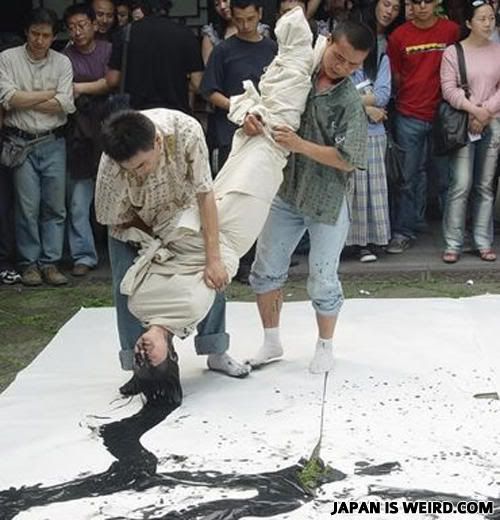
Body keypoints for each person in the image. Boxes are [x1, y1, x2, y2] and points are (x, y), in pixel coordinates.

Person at [95, 6, 314, 377]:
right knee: (126, 288)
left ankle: (215, 350)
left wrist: (212, 257)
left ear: (158, 143)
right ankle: (136, 365)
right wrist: (158, 241)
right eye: (131, 170)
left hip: (186, 212)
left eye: (143, 165)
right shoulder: (112, 167)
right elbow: (114, 220)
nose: (139, 173)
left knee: (215, 271)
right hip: (136, 225)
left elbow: (205, 194)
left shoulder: (184, 131)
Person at [244, 20, 373, 374]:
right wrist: (253, 118)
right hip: (285, 189)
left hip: (326, 199)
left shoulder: (349, 100)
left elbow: (349, 159)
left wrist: (300, 145)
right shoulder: (299, 69)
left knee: (323, 277)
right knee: (265, 268)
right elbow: (266, 102)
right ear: (328, 42)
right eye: (339, 57)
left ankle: (325, 345)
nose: (342, 67)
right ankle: (271, 341)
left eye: (353, 64)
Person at [0, 8, 75, 287]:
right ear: (26, 32)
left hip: (52, 140)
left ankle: (50, 262)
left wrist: (25, 99)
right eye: (35, 34)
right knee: (27, 207)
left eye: (45, 35)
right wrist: (49, 95)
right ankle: (29, 263)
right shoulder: (8, 58)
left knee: (55, 207)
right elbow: (8, 98)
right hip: (19, 141)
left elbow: (66, 104)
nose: (39, 40)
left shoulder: (62, 62)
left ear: (54, 36)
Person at [386, 0, 459, 254]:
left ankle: (453, 235)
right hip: (409, 113)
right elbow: (396, 75)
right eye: (416, 2)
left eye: (428, 1)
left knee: (447, 178)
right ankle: (403, 231)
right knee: (407, 178)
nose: (422, 6)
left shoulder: (451, 31)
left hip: (444, 116)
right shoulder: (398, 36)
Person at [440, 0, 500, 263]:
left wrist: (485, 112)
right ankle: (453, 243)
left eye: (491, 18)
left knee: (485, 185)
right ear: (468, 23)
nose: (488, 24)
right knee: (461, 184)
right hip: (464, 122)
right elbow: (448, 89)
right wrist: (474, 111)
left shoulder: (498, 50)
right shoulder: (453, 52)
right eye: (482, 19)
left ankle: (482, 241)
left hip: (492, 122)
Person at [345, 0, 402, 262]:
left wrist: (361, 103)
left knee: (372, 191)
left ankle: (368, 242)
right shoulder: (341, 62)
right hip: (347, 132)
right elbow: (336, 94)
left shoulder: (382, 58)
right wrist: (366, 108)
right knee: (350, 191)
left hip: (374, 135)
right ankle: (346, 242)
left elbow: (382, 95)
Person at [63, 3, 112, 276]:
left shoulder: (108, 50)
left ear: (94, 24)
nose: (77, 32)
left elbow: (111, 82)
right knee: (79, 200)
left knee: (116, 195)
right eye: (71, 27)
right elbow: (63, 91)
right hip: (79, 134)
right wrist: (97, 86)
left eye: (81, 25)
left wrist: (80, 87)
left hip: (109, 131)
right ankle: (83, 255)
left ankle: (121, 251)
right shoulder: (64, 57)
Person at [106, 0, 203, 114]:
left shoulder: (125, 33)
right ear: (168, 7)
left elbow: (112, 80)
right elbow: (197, 84)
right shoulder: (186, 34)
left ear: (142, 8)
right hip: (175, 113)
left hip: (137, 114)